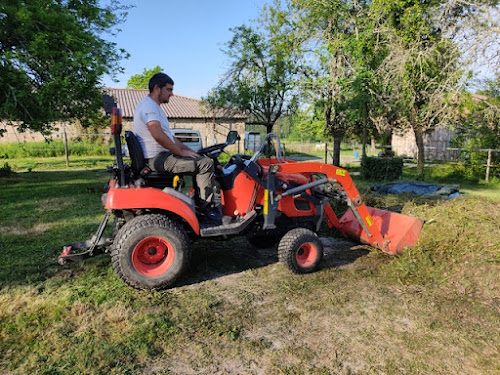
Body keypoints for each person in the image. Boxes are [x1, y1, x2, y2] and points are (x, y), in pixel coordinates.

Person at [133, 72, 220, 222]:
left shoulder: (154, 107)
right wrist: (179, 151)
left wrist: (188, 150)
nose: (172, 94)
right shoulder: (149, 106)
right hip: (157, 158)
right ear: (157, 89)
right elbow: (158, 135)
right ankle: (207, 209)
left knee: (199, 159)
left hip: (160, 156)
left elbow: (170, 137)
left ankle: (200, 203)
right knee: (206, 165)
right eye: (169, 89)